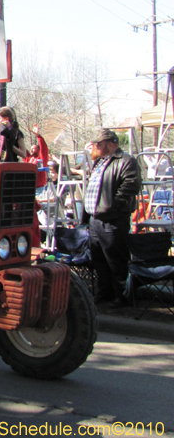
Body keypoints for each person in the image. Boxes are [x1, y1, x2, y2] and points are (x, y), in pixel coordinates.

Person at [82, 129, 141, 308]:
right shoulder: (99, 162)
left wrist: (114, 206)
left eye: (98, 144)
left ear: (110, 144)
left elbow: (131, 185)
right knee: (98, 259)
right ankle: (104, 293)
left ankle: (122, 297)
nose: (95, 147)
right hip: (95, 219)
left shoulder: (126, 161)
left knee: (115, 259)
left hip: (112, 219)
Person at [23, 123, 50, 195]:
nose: (31, 150)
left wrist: (38, 136)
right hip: (29, 188)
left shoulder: (41, 158)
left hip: (39, 189)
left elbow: (44, 148)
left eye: (34, 149)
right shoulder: (29, 159)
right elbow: (22, 150)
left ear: (38, 150)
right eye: (31, 149)